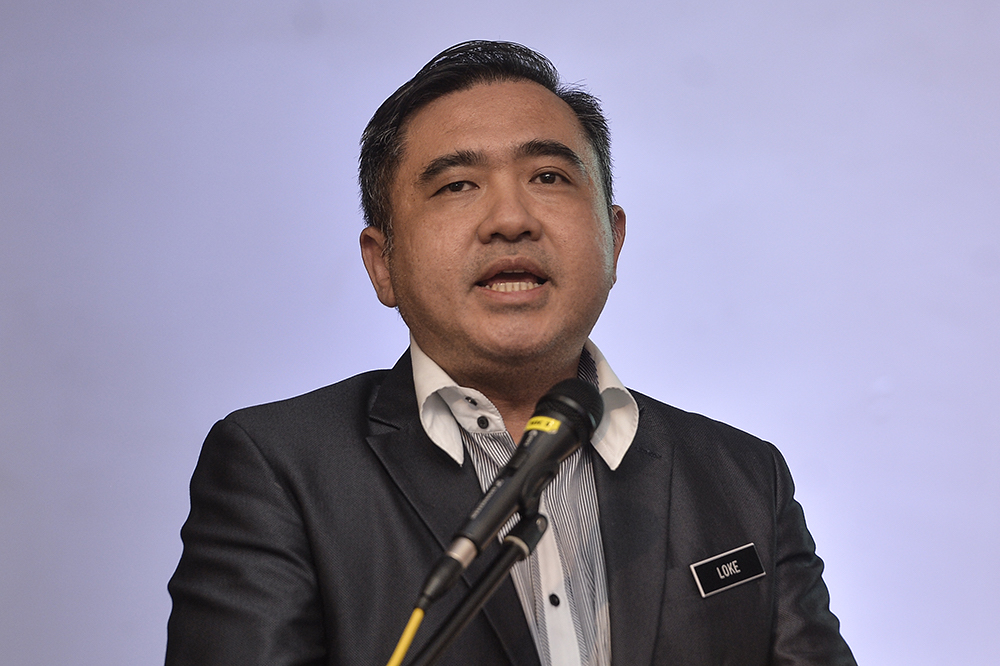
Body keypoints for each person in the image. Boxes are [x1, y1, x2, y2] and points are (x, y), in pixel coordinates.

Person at [166, 41, 856, 666]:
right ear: (384, 264)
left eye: (550, 177)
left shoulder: (741, 478)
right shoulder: (280, 468)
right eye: (457, 186)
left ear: (613, 240)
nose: (511, 219)